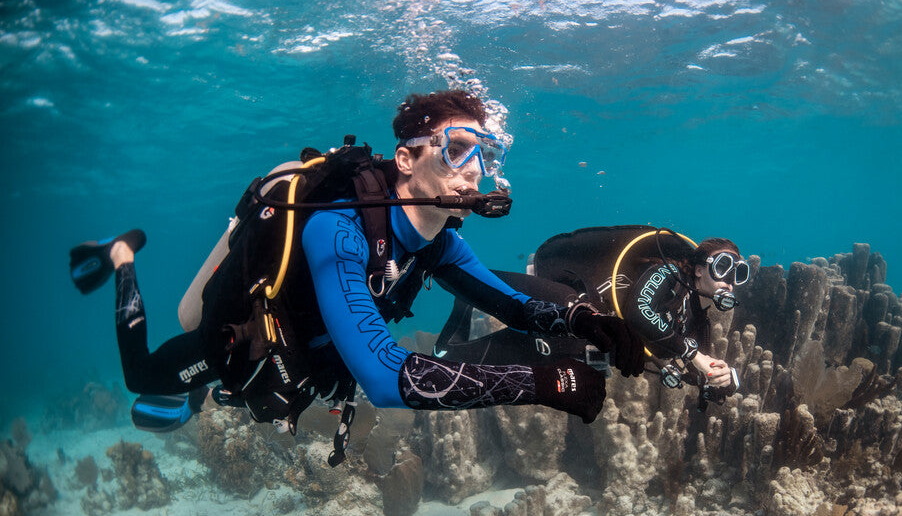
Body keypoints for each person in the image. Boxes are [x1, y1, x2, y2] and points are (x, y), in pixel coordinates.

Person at [69, 90, 645, 462]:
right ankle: (122, 255)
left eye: (483, 157)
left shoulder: (440, 242)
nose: (474, 173)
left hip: (305, 358)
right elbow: (387, 379)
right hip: (244, 340)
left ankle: (201, 396)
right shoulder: (338, 229)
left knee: (210, 394)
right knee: (142, 374)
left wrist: (589, 321)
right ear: (406, 160)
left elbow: (513, 304)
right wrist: (546, 383)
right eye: (458, 149)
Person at [435, 226, 751, 405]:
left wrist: (727, 380)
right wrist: (693, 354)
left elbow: (701, 375)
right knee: (473, 281)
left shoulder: (695, 317)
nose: (728, 279)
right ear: (697, 268)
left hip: (580, 345)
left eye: (737, 273)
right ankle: (446, 269)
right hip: (571, 307)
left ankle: (454, 330)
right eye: (722, 266)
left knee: (449, 356)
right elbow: (640, 313)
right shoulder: (667, 270)